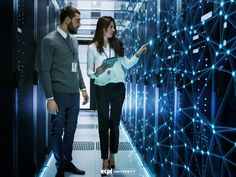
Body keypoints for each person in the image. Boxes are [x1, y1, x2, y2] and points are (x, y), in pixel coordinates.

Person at [87, 16, 147, 176]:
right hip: (101, 88)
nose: (114, 30)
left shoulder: (117, 45)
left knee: (114, 123)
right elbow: (89, 72)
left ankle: (112, 154)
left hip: (118, 88)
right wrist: (95, 72)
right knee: (103, 124)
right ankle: (104, 159)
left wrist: (138, 54)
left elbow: (127, 64)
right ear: (103, 28)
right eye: (111, 27)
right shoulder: (92, 47)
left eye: (114, 27)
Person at [40, 6, 89, 177]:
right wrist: (49, 98)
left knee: (71, 130)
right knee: (57, 131)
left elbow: (77, 69)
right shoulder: (49, 40)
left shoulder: (74, 41)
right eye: (78, 20)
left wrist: (83, 88)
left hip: (73, 95)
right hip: (58, 95)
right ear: (67, 20)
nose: (79, 24)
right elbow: (44, 71)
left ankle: (66, 162)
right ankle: (61, 164)